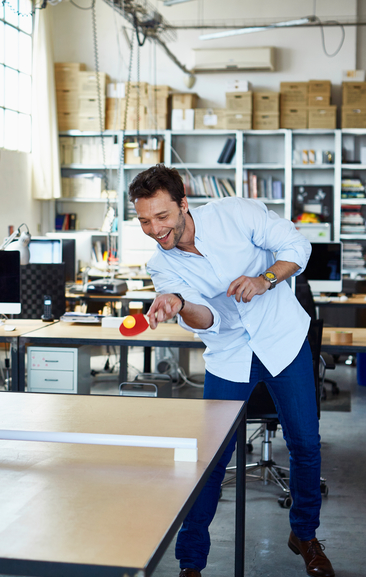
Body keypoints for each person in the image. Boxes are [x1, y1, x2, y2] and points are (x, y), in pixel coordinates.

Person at [128, 165, 335, 577]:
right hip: (229, 357)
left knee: (305, 444)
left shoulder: (235, 214)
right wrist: (179, 305)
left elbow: (297, 247)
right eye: (144, 221)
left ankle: (305, 534)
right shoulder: (162, 267)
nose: (155, 229)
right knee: (211, 459)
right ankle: (191, 562)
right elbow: (207, 319)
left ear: (183, 204)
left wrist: (265, 280)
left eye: (162, 217)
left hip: (282, 342)